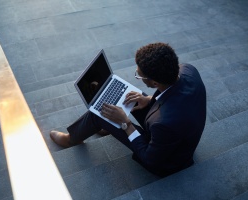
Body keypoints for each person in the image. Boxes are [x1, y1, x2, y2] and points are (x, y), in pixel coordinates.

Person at [50, 42, 206, 177]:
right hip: (179, 128)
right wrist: (149, 99)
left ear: (155, 82)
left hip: (167, 160)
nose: (138, 77)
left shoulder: (164, 124)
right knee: (131, 98)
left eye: (140, 76)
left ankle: (72, 139)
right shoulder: (188, 71)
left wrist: (126, 124)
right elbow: (171, 92)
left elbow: (149, 158)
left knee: (99, 114)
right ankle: (106, 125)